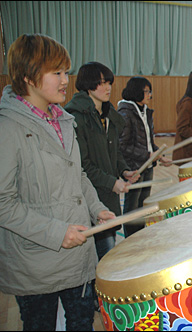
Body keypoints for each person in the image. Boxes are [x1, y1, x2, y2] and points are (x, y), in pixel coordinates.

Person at [0, 34, 115, 331]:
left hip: (78, 259)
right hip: (33, 263)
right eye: (56, 72)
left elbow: (77, 175)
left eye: (65, 71)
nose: (65, 80)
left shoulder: (64, 120)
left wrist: (96, 208)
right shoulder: (3, 129)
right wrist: (56, 233)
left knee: (82, 323)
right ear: (28, 76)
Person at [65, 62, 139, 260]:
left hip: (108, 198)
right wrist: (111, 182)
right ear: (88, 85)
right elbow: (82, 165)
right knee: (99, 257)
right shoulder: (76, 117)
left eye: (109, 83)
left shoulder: (107, 115)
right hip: (90, 199)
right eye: (101, 83)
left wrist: (124, 171)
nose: (108, 88)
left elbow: (114, 152)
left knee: (109, 251)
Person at [117, 77, 172, 237]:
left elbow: (147, 140)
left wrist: (159, 155)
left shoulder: (145, 111)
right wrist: (148, 155)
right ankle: (130, 238)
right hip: (135, 167)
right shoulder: (126, 113)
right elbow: (123, 146)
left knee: (143, 204)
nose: (150, 95)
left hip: (147, 166)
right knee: (132, 206)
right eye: (147, 91)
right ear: (137, 91)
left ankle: (140, 236)